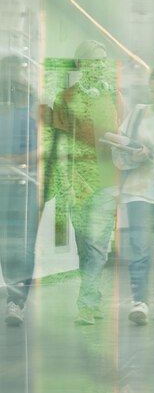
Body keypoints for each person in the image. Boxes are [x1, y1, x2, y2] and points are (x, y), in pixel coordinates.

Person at [51, 40, 121, 325]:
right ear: (81, 65)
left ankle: (86, 303)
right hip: (77, 182)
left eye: (104, 60)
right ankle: (93, 298)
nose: (101, 66)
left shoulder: (114, 97)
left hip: (107, 181)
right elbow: (59, 145)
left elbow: (119, 137)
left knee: (98, 247)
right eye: (95, 61)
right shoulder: (65, 98)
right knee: (85, 246)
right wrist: (63, 183)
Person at [112, 68, 154, 325]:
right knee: (139, 248)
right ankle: (139, 301)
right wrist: (133, 155)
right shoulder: (138, 113)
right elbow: (120, 147)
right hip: (137, 191)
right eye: (152, 90)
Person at [0, 55, 39, 326]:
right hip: (3, 185)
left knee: (22, 248)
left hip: (25, 186)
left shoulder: (33, 106)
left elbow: (43, 149)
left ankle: (16, 302)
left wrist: (13, 161)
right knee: (6, 247)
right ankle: (13, 298)